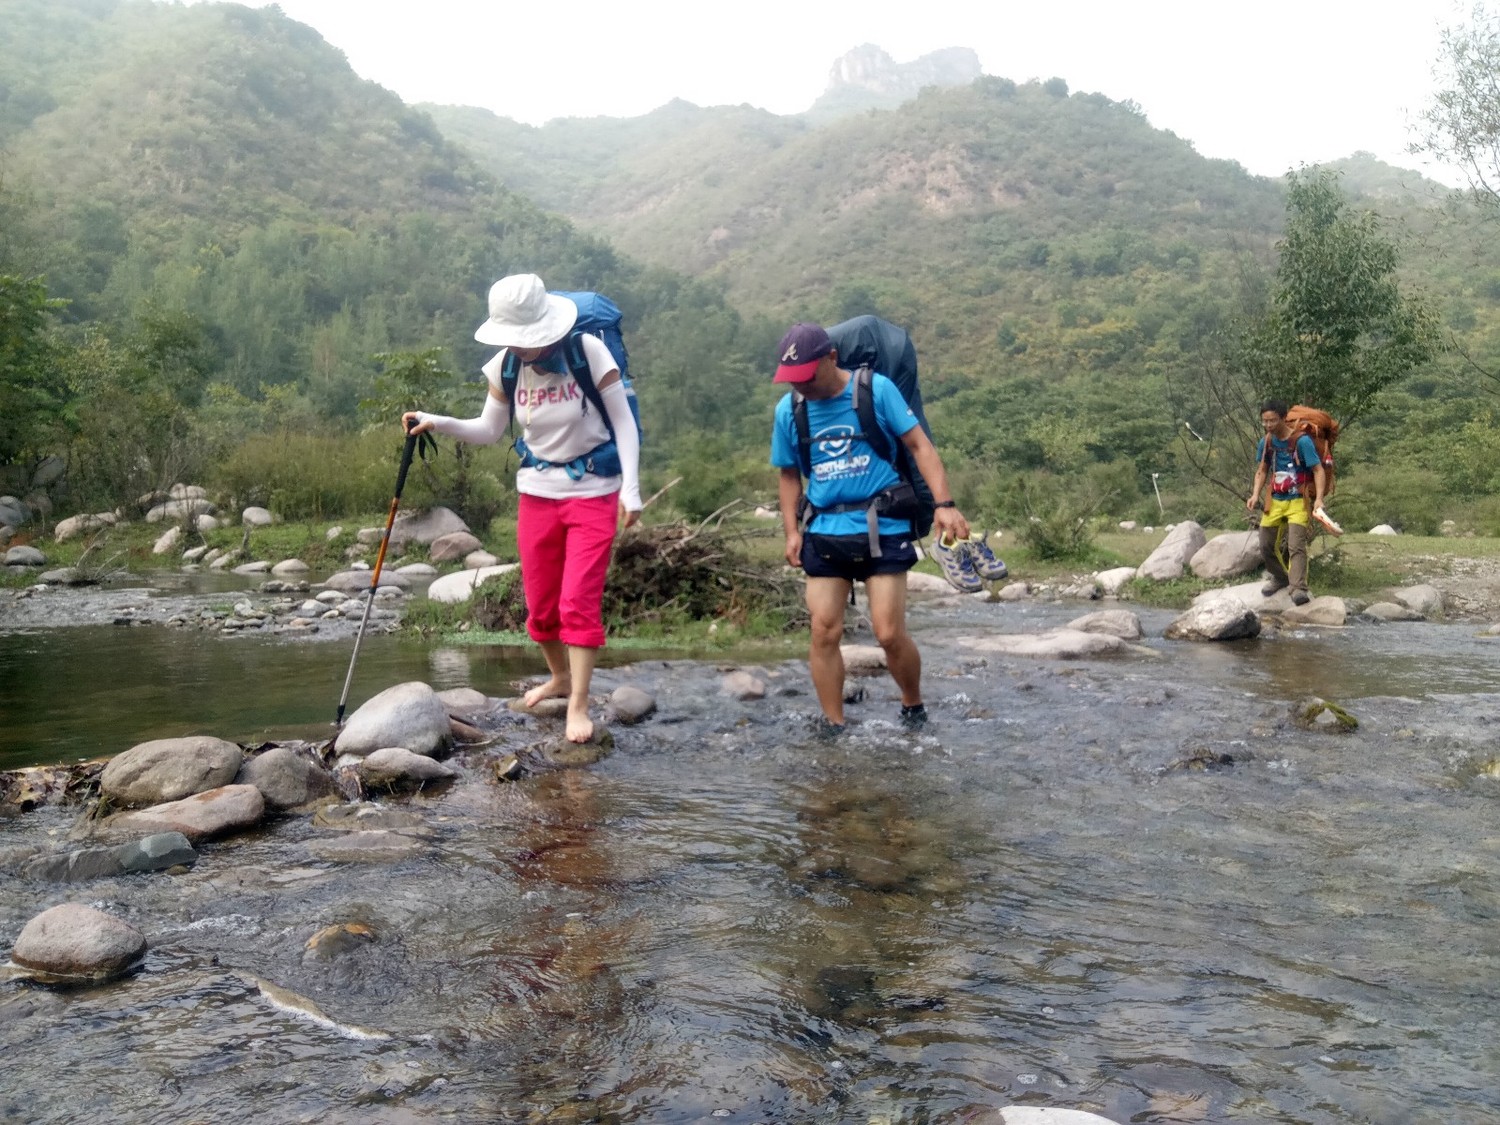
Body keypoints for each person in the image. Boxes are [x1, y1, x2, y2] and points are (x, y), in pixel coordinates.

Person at [403, 273, 641, 743]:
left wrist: (630, 489)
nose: (519, 347)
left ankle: (578, 703)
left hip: (594, 490)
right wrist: (439, 421)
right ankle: (559, 676)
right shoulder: (505, 366)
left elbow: (624, 424)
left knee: (578, 602)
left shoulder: (588, 352)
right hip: (536, 492)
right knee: (540, 605)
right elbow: (490, 429)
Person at [769, 322, 971, 734]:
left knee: (888, 632)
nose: (801, 386)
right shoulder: (789, 410)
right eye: (793, 379)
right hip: (825, 529)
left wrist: (944, 505)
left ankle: (912, 705)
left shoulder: (875, 390)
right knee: (823, 630)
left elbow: (919, 446)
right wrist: (791, 531)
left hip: (884, 523)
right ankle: (833, 725)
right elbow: (789, 474)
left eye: (807, 375)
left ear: (830, 359)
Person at [1246, 398, 1328, 606]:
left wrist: (1318, 499)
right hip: (1275, 500)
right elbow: (1262, 470)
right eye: (1264, 421)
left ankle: (1298, 588)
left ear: (1283, 418)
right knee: (1265, 544)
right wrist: (1255, 495)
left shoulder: (1302, 442)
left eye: (1272, 421)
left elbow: (1318, 470)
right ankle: (1281, 577)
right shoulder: (1267, 442)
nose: (1268, 425)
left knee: (1296, 546)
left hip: (1298, 501)